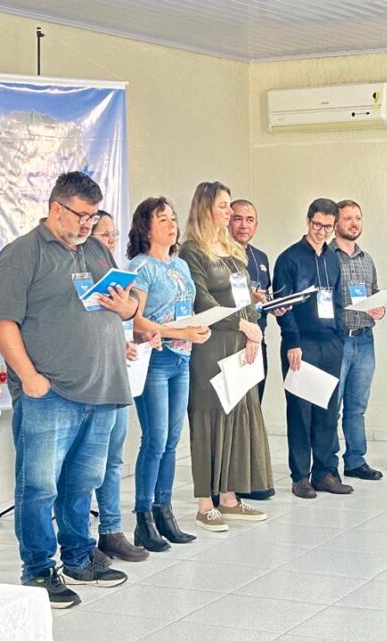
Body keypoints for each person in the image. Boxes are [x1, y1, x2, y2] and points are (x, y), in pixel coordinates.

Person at [0, 171, 135, 609]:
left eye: (94, 215)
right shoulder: (23, 253)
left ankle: (78, 556)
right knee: (39, 488)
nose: (90, 223)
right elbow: (2, 321)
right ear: (56, 209)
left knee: (82, 483)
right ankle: (38, 570)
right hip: (50, 393)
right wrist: (28, 376)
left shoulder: (95, 249)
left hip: (102, 386)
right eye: (83, 215)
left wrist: (126, 306)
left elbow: (127, 305)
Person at [179, 181, 271, 531]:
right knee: (209, 419)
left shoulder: (231, 248)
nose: (229, 212)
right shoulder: (192, 251)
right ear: (205, 208)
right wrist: (241, 325)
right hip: (211, 344)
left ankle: (230, 497)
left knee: (236, 417)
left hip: (239, 342)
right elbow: (202, 301)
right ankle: (206, 503)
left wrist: (251, 328)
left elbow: (243, 296)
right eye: (223, 205)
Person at [126, 197, 210, 550]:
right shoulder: (140, 266)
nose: (172, 225)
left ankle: (165, 510)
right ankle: (144, 517)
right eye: (163, 219)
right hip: (156, 360)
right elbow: (135, 319)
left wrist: (197, 329)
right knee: (155, 439)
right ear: (146, 227)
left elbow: (184, 309)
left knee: (173, 441)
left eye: (174, 219)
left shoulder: (180, 265)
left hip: (181, 359)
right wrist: (181, 333)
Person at [274, 198, 353, 499]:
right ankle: (300, 477)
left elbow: (334, 299)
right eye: (317, 225)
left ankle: (325, 472)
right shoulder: (289, 259)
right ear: (308, 221)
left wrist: (340, 335)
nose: (321, 232)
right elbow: (284, 306)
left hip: (330, 341)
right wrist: (292, 341)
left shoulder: (333, 258)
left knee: (327, 410)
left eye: (328, 227)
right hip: (302, 342)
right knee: (300, 411)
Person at [87, 211, 149, 564]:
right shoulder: (79, 276)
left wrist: (129, 339)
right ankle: (81, 540)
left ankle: (111, 530)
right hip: (88, 383)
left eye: (114, 234)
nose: (111, 240)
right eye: (104, 234)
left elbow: (120, 323)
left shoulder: (115, 279)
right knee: (86, 467)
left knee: (113, 460)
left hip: (118, 376)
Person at [330, 200, 386, 481]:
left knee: (357, 406)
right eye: (348, 218)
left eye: (358, 218)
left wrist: (380, 308)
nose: (354, 223)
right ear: (336, 223)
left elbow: (373, 292)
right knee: (332, 406)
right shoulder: (327, 257)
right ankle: (328, 465)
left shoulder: (367, 259)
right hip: (338, 341)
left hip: (364, 340)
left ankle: (355, 460)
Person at [228, 198, 279, 501]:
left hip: (257, 340)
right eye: (237, 218)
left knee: (252, 411)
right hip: (231, 340)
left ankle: (247, 477)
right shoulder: (220, 255)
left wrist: (272, 306)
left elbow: (263, 299)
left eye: (249, 219)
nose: (243, 224)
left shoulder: (260, 257)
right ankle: (224, 481)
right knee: (231, 413)